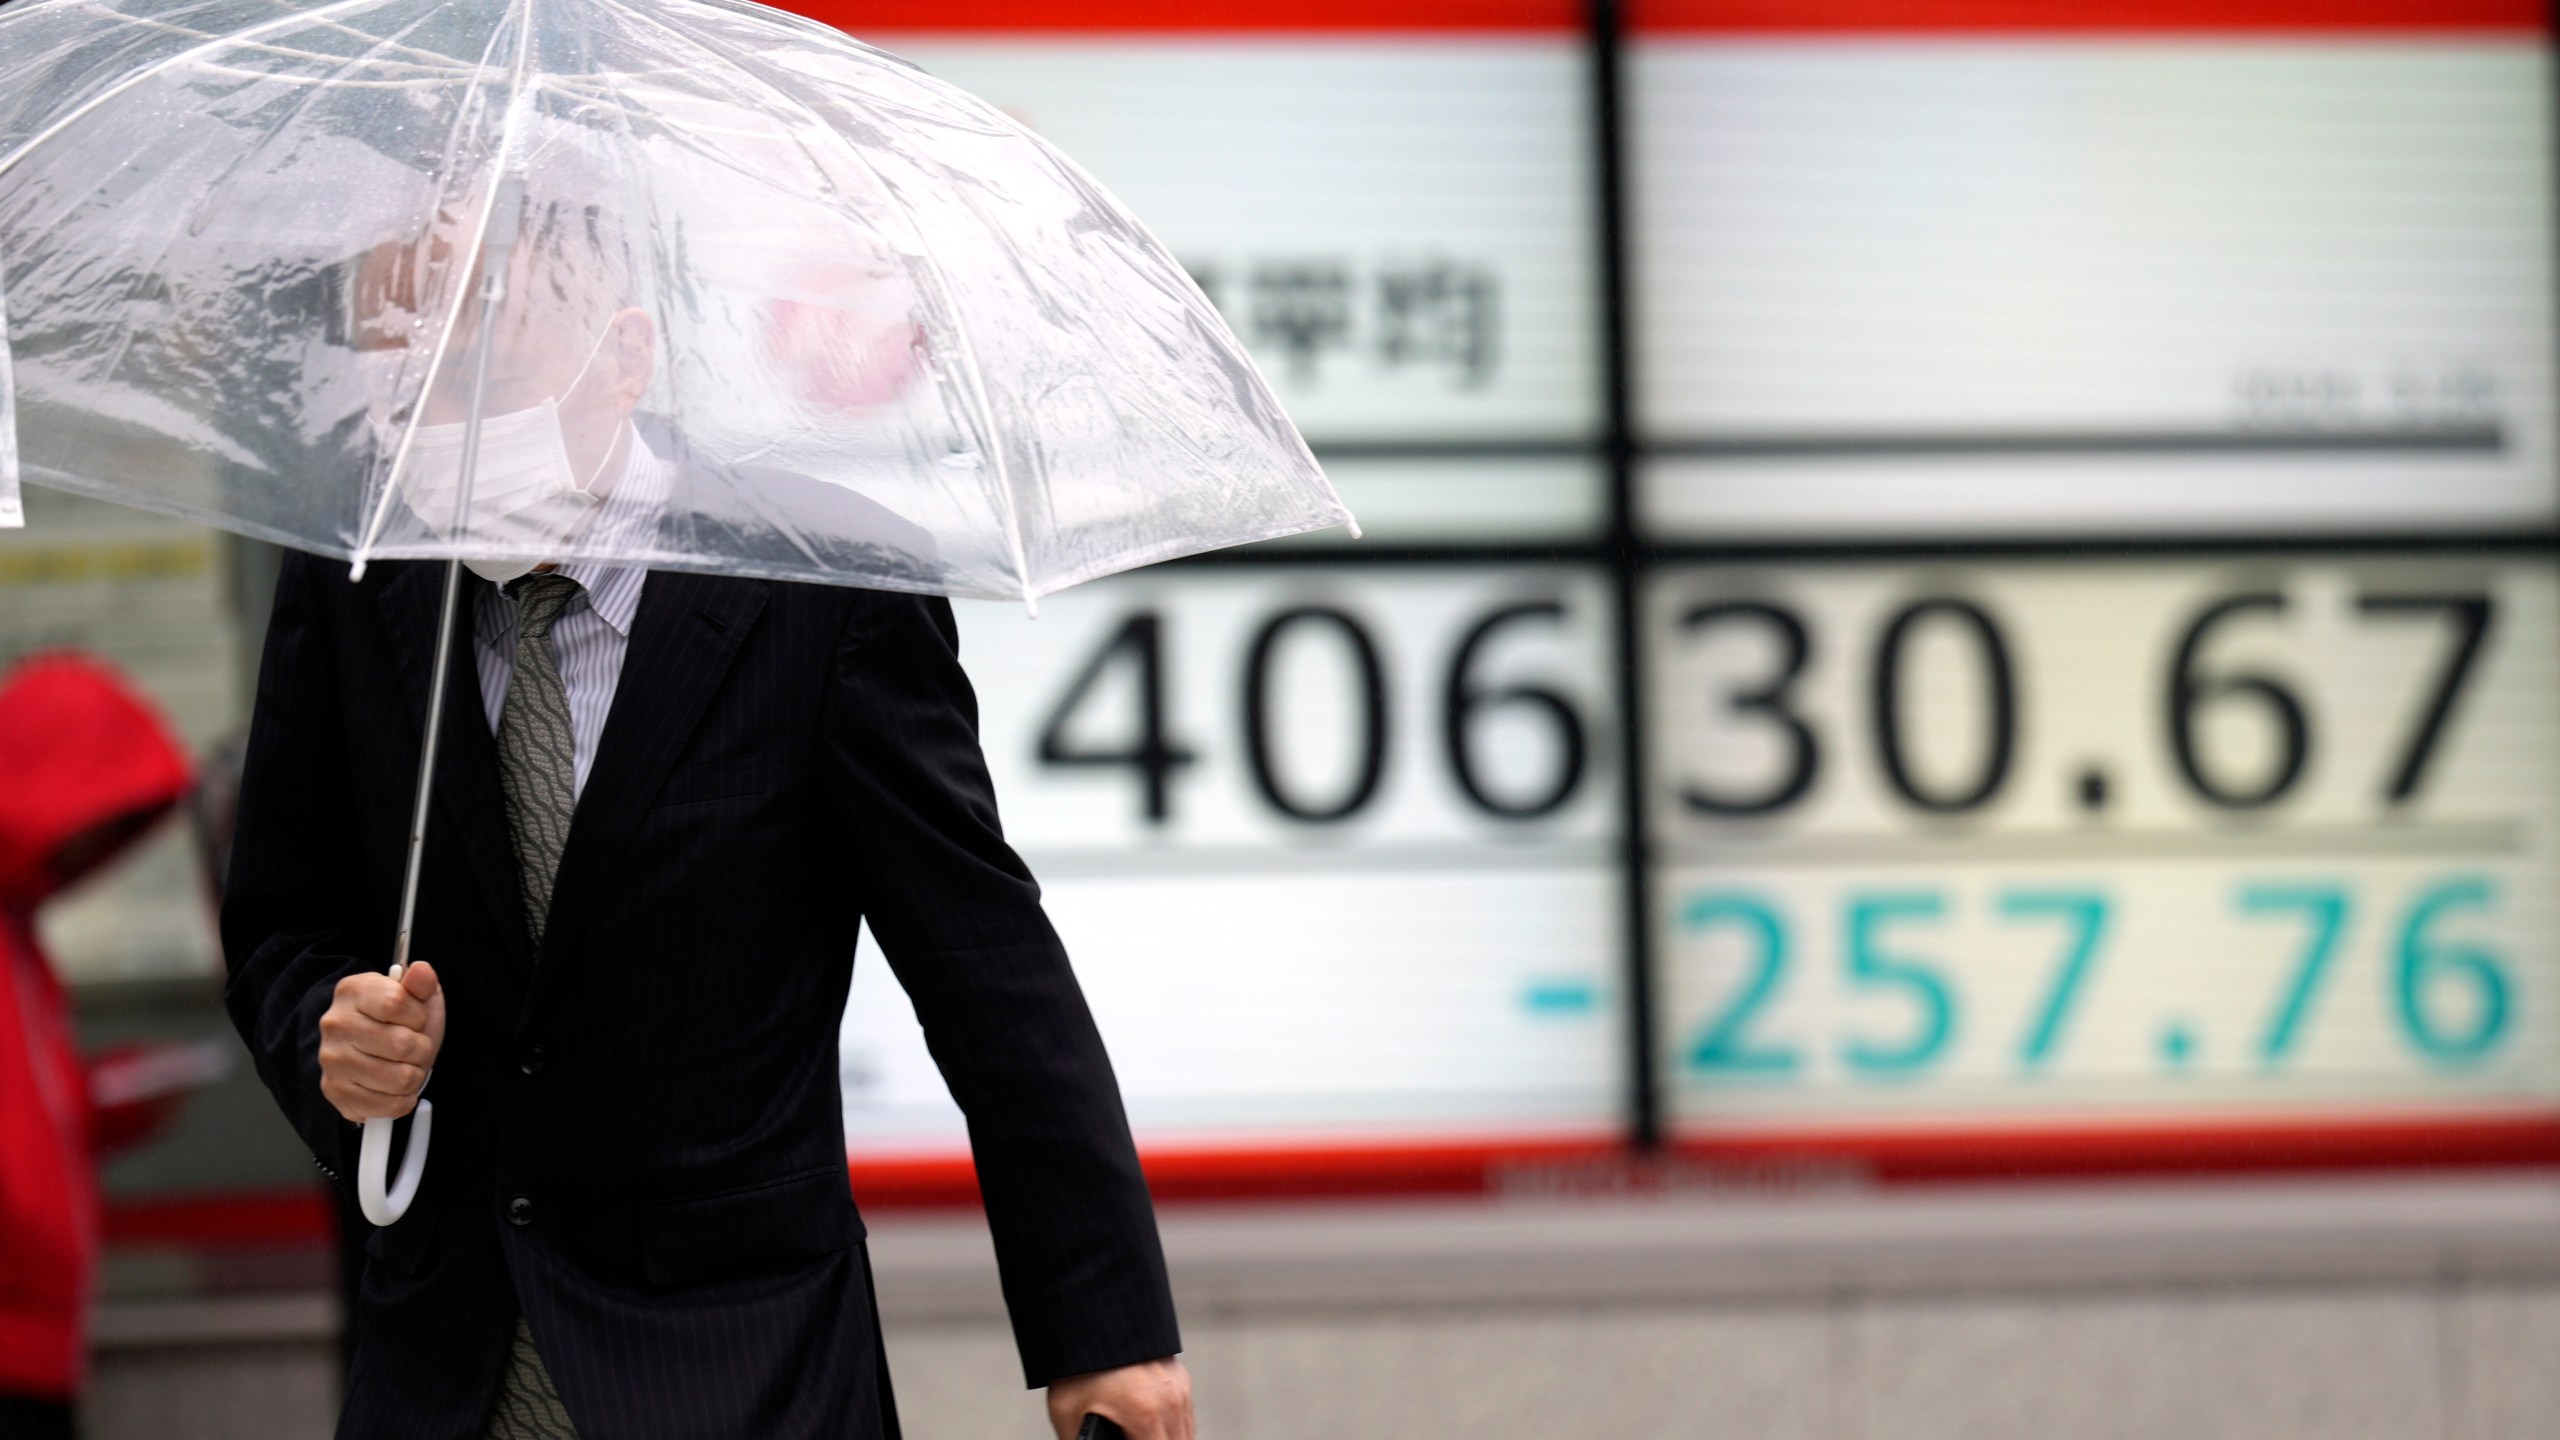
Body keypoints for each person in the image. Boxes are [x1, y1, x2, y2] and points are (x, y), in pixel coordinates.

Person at [222, 181, 1194, 1440]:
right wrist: (330, 1040)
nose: (430, 423)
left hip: (745, 1364)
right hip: (446, 1364)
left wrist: (1104, 1330)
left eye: (477, 359)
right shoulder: (362, 581)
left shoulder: (815, 588)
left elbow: (985, 968)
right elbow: (281, 924)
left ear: (624, 356)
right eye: (399, 375)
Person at [0, 654, 196, 1440]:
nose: (88, 854)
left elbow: (28, 1111)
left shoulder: (21, 938)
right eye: (88, 824)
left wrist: (108, 1100)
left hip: (38, 1339)